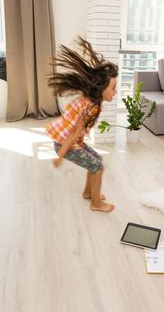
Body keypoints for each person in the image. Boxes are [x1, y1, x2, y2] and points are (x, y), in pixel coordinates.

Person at [46, 37, 117, 213]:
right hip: (66, 145)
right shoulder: (90, 107)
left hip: (72, 142)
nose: (115, 92)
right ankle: (96, 203)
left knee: (97, 161)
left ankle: (88, 193)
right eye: (113, 88)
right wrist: (60, 156)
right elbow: (74, 132)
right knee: (98, 168)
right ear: (102, 89)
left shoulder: (93, 102)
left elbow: (76, 133)